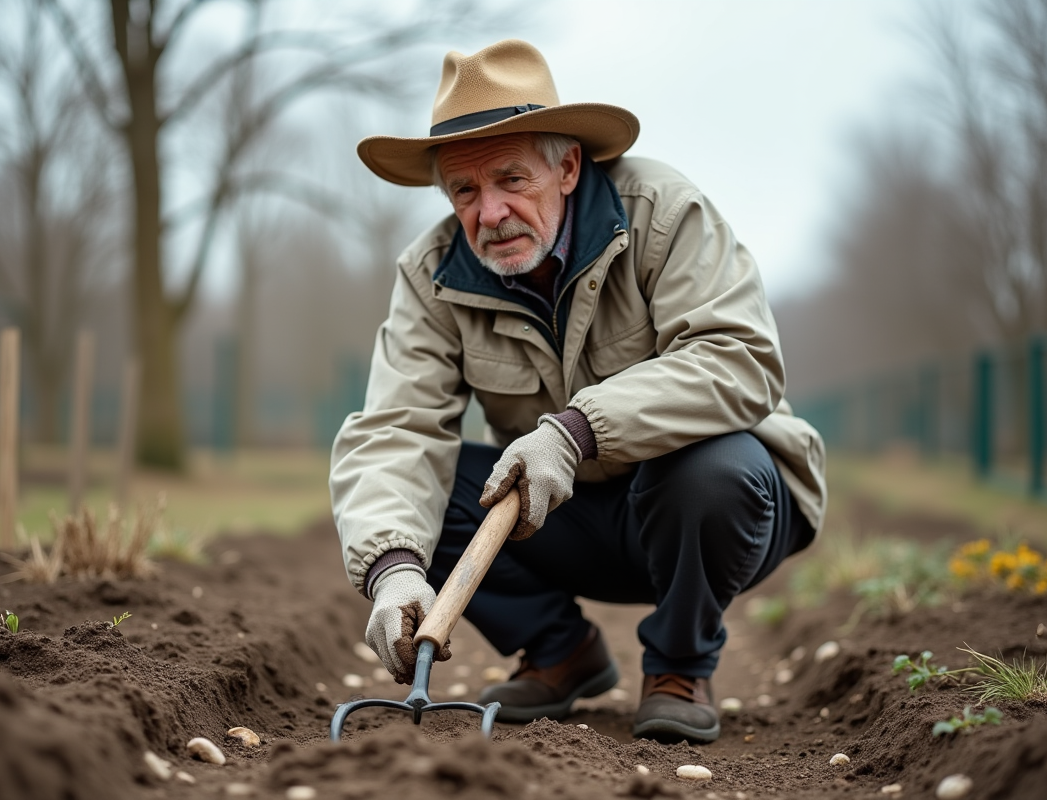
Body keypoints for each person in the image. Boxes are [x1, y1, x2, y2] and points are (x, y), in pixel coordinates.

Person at [329, 39, 826, 744]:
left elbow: (738, 359)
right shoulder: (432, 272)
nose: (491, 212)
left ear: (567, 167)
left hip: (707, 509)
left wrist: (575, 430)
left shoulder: (663, 211)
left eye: (510, 179)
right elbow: (395, 429)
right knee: (426, 494)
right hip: (564, 519)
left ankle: (680, 665)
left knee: (714, 471)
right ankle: (561, 652)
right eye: (465, 191)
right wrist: (392, 566)